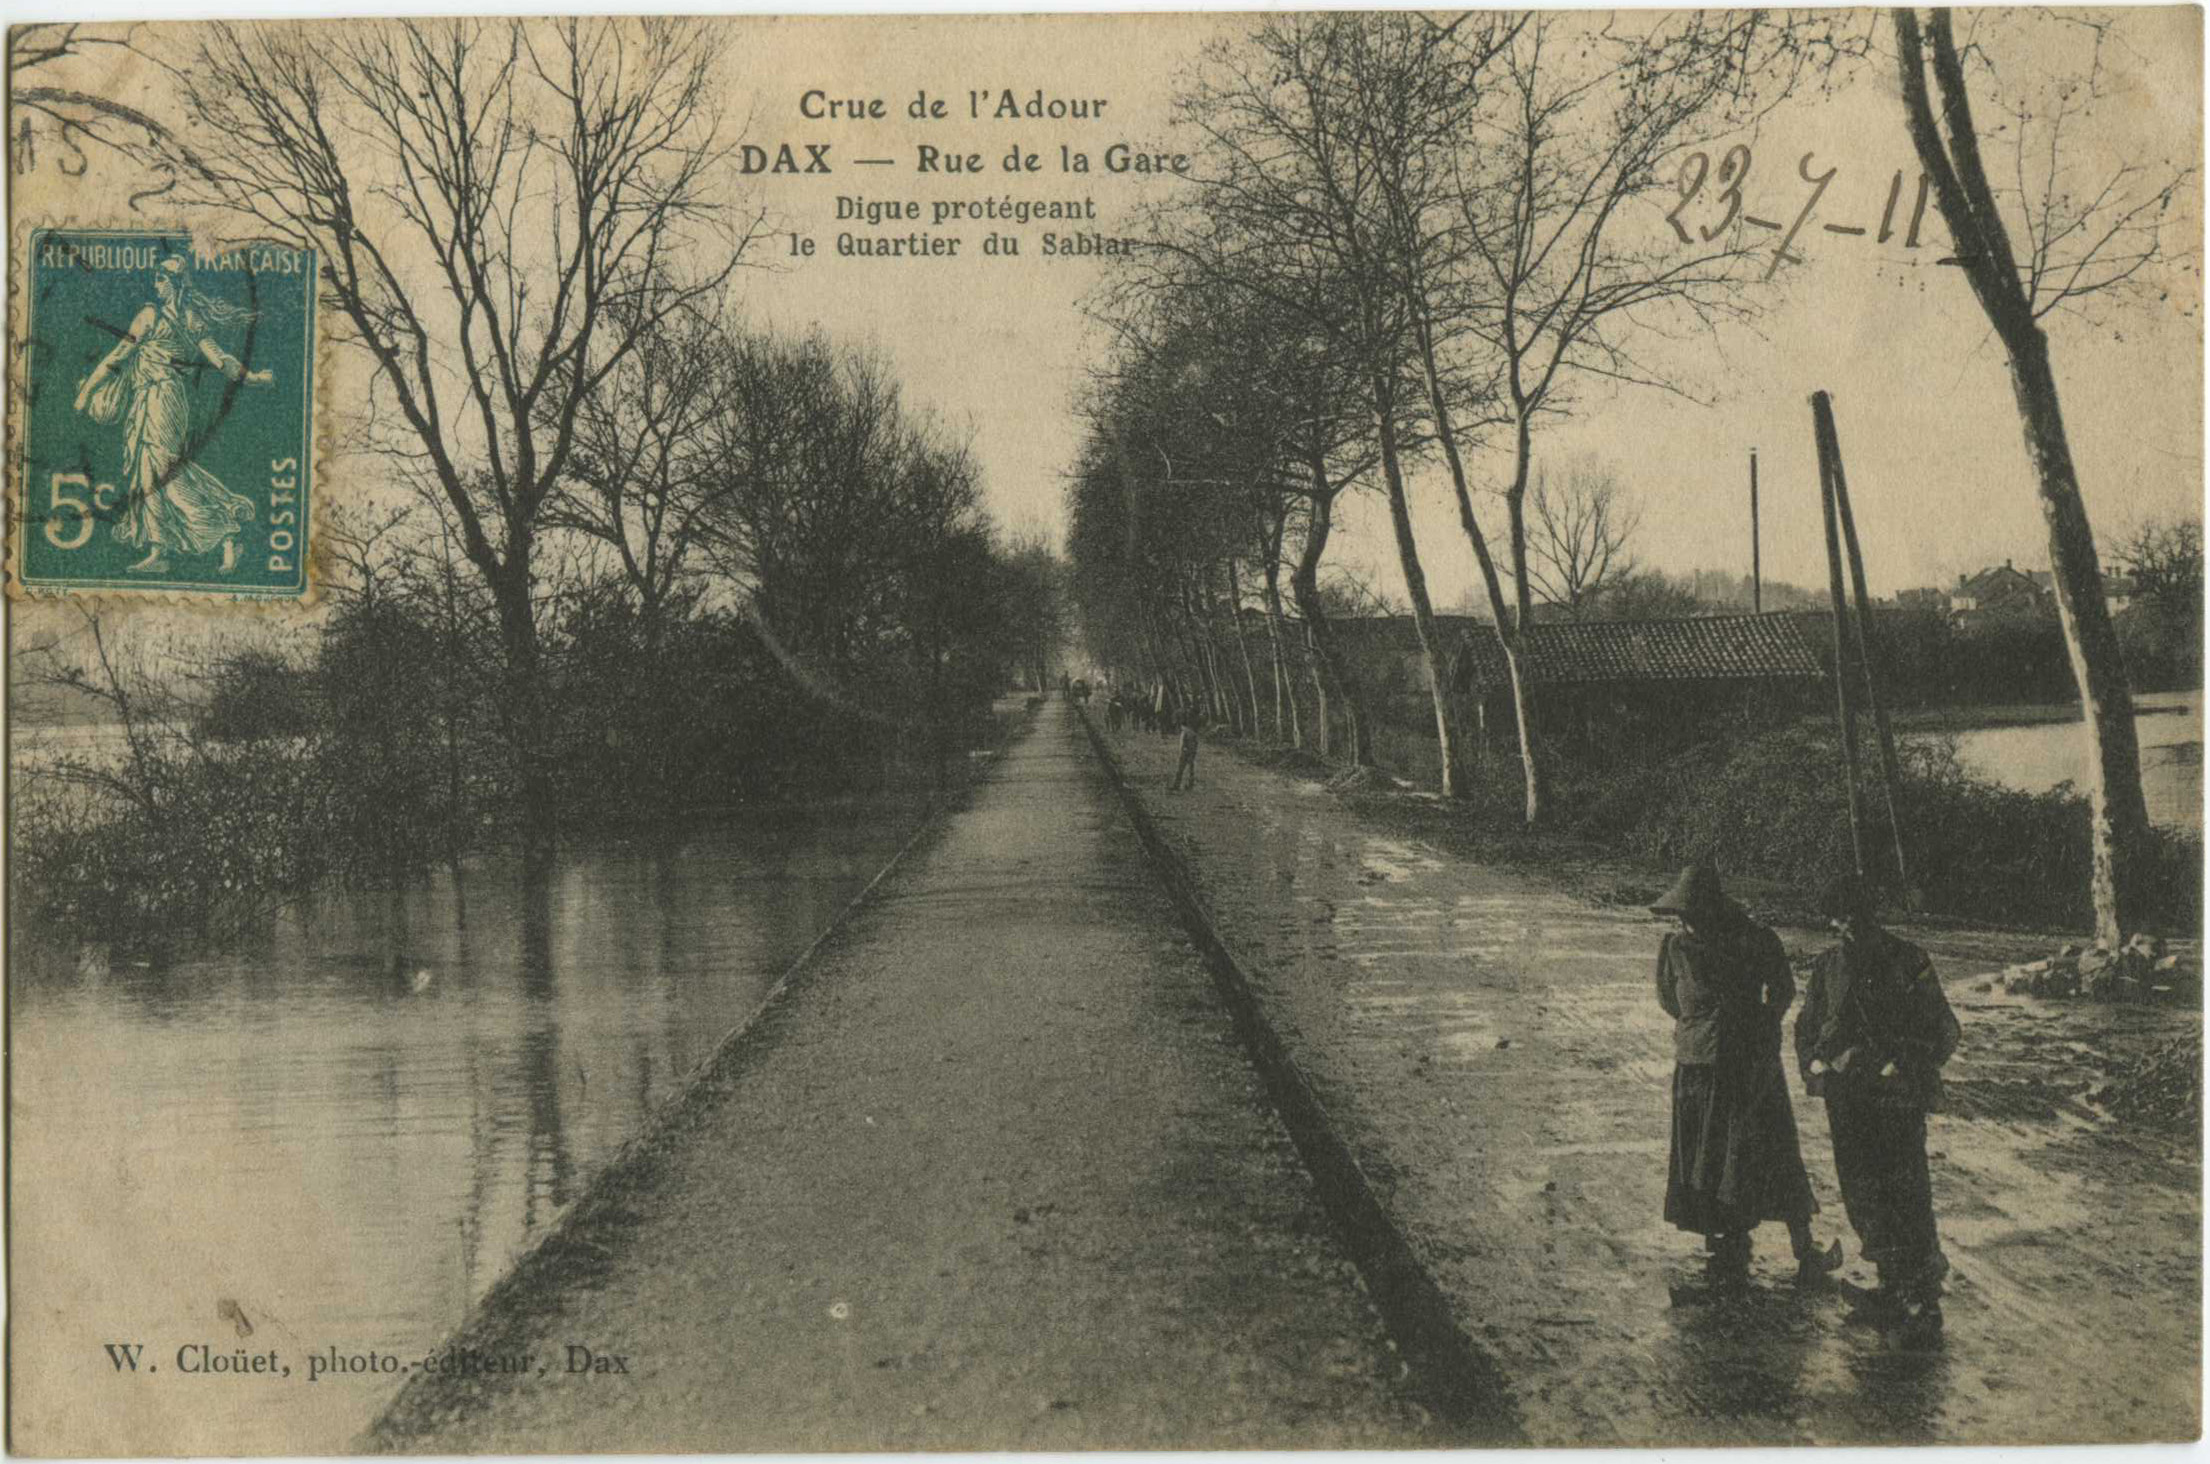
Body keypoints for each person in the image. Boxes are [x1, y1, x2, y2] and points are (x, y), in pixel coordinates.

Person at [1652, 861, 1841, 1293]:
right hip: (1697, 1068)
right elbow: (1669, 999)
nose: (1686, 921)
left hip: (1749, 1066)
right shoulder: (1675, 949)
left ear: (1713, 910)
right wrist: (1698, 1028)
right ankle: (1726, 1240)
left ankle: (1804, 1248)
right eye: (1682, 914)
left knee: (1774, 1151)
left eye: (1693, 913)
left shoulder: (1754, 940)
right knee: (1710, 1157)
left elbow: (1783, 990)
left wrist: (1761, 1026)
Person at [1797, 872, 1960, 1339]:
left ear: (1871, 916)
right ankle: (1890, 1287)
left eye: (1853, 919)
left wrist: (1902, 1063)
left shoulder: (1909, 961)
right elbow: (1808, 1026)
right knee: (1861, 1190)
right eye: (1836, 920)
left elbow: (1944, 1030)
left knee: (1904, 1189)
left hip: (1894, 1096)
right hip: (1846, 1096)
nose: (1844, 928)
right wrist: (1814, 1063)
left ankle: (1921, 1297)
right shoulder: (1829, 966)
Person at [74, 256, 273, 576]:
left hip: (162, 398)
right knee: (147, 472)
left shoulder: (153, 316)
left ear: (175, 284)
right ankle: (158, 549)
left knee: (163, 471)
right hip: (148, 398)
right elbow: (120, 356)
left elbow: (219, 359)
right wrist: (253, 378)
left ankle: (224, 531)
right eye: (156, 278)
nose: (156, 284)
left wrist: (253, 378)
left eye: (161, 279)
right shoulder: (180, 317)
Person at [1169, 709, 1202, 791]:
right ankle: (1189, 784)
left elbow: (1184, 744)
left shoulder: (1185, 733)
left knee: (1181, 769)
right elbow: (1195, 744)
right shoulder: (1192, 732)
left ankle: (1177, 784)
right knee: (1190, 769)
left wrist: (1183, 752)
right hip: (1190, 752)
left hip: (1185, 752)